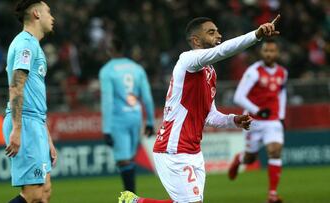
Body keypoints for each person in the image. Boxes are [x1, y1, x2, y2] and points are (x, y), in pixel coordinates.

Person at [119, 14, 281, 203]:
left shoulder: (209, 71)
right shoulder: (188, 60)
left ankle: (135, 202)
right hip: (173, 148)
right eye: (211, 32)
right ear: (196, 40)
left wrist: (233, 120)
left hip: (194, 151)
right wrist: (256, 34)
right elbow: (222, 51)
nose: (218, 35)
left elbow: (210, 115)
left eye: (218, 31)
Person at [2, 1, 57, 202]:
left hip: (35, 123)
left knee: (44, 192)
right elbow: (16, 86)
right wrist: (17, 129)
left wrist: (47, 136)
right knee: (33, 195)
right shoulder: (25, 43)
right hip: (24, 122)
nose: (53, 18)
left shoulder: (34, 45)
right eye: (48, 12)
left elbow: (36, 96)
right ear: (36, 13)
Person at [228, 39, 287, 203]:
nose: (269, 54)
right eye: (266, 51)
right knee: (250, 158)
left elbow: (281, 94)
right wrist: (257, 110)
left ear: (277, 53)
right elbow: (238, 97)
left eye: (272, 51)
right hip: (252, 120)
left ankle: (272, 194)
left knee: (275, 151)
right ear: (262, 53)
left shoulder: (283, 72)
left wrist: (281, 116)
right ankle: (238, 160)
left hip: (273, 120)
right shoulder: (253, 71)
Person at [99, 37, 155, 193]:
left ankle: (130, 198)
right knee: (129, 159)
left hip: (119, 119)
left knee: (123, 160)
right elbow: (147, 97)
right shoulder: (137, 68)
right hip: (136, 117)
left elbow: (108, 101)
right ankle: (131, 197)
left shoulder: (107, 71)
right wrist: (150, 121)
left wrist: (106, 129)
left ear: (110, 50)